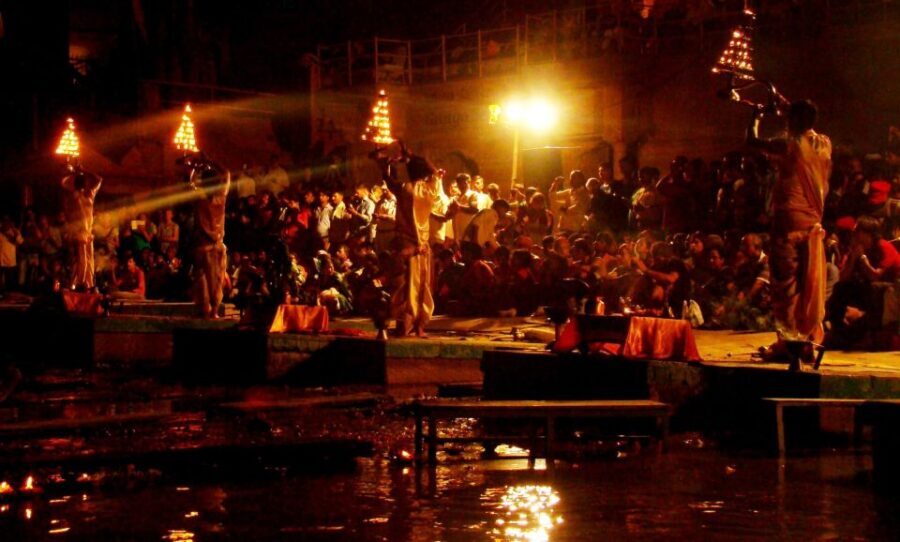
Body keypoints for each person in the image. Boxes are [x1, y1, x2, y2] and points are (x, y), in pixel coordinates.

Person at [748, 99, 832, 354]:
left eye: (788, 119)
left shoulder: (791, 145)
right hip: (811, 222)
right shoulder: (824, 143)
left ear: (794, 121)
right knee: (808, 285)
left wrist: (755, 117)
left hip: (789, 224)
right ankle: (805, 341)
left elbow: (751, 143)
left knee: (786, 288)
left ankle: (790, 345)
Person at [374, 144, 446, 337]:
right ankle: (419, 326)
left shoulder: (406, 189)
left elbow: (390, 182)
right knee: (422, 286)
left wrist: (383, 167)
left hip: (407, 246)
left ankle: (402, 324)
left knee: (403, 286)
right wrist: (413, 156)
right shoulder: (431, 189)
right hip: (422, 247)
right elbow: (435, 173)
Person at [182, 152, 231, 318]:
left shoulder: (201, 198)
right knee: (214, 282)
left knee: (201, 279)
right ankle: (213, 311)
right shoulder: (221, 198)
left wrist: (195, 168)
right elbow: (227, 174)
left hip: (202, 247)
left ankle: (206, 310)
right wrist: (211, 160)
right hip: (214, 246)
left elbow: (191, 183)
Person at [61, 166, 102, 290]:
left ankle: (88, 284)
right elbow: (63, 183)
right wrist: (79, 171)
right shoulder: (79, 196)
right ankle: (81, 284)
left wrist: (79, 171)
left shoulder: (87, 195)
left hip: (87, 232)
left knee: (88, 261)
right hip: (81, 233)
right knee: (83, 261)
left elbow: (99, 179)